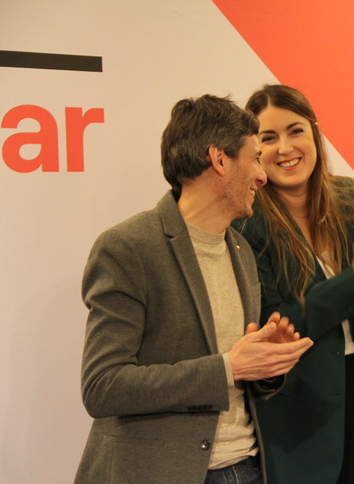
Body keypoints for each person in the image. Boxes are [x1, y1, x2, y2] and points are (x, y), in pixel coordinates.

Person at [75, 94, 313, 484]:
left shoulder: (241, 250)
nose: (262, 175)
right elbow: (104, 386)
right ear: (219, 159)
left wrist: (263, 366)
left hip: (248, 469)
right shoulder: (128, 247)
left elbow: (236, 375)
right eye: (254, 158)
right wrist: (227, 367)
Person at [231, 84, 354, 484]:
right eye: (268, 138)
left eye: (295, 130)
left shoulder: (350, 197)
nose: (285, 147)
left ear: (314, 133)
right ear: (253, 150)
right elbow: (282, 325)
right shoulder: (246, 222)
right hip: (297, 416)